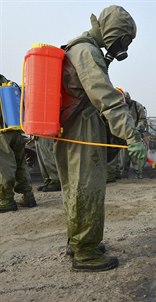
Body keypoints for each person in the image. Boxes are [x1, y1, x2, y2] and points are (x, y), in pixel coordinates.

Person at [55, 5, 146, 272]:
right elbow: (106, 98)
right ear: (113, 32)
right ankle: (86, 253)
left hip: (72, 127)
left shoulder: (84, 48)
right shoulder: (87, 52)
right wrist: (132, 136)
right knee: (87, 187)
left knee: (75, 187)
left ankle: (79, 242)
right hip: (81, 128)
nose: (123, 46)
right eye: (123, 40)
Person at [0, 74, 37, 213]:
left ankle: (6, 200)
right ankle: (28, 196)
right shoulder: (9, 84)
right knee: (20, 163)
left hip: (2, 132)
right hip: (16, 129)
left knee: (4, 167)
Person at [117, 91, 148, 179]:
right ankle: (123, 177)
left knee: (136, 157)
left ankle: (138, 175)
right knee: (123, 159)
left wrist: (137, 130)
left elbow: (142, 120)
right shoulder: (119, 107)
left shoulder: (137, 106)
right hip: (123, 136)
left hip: (135, 136)